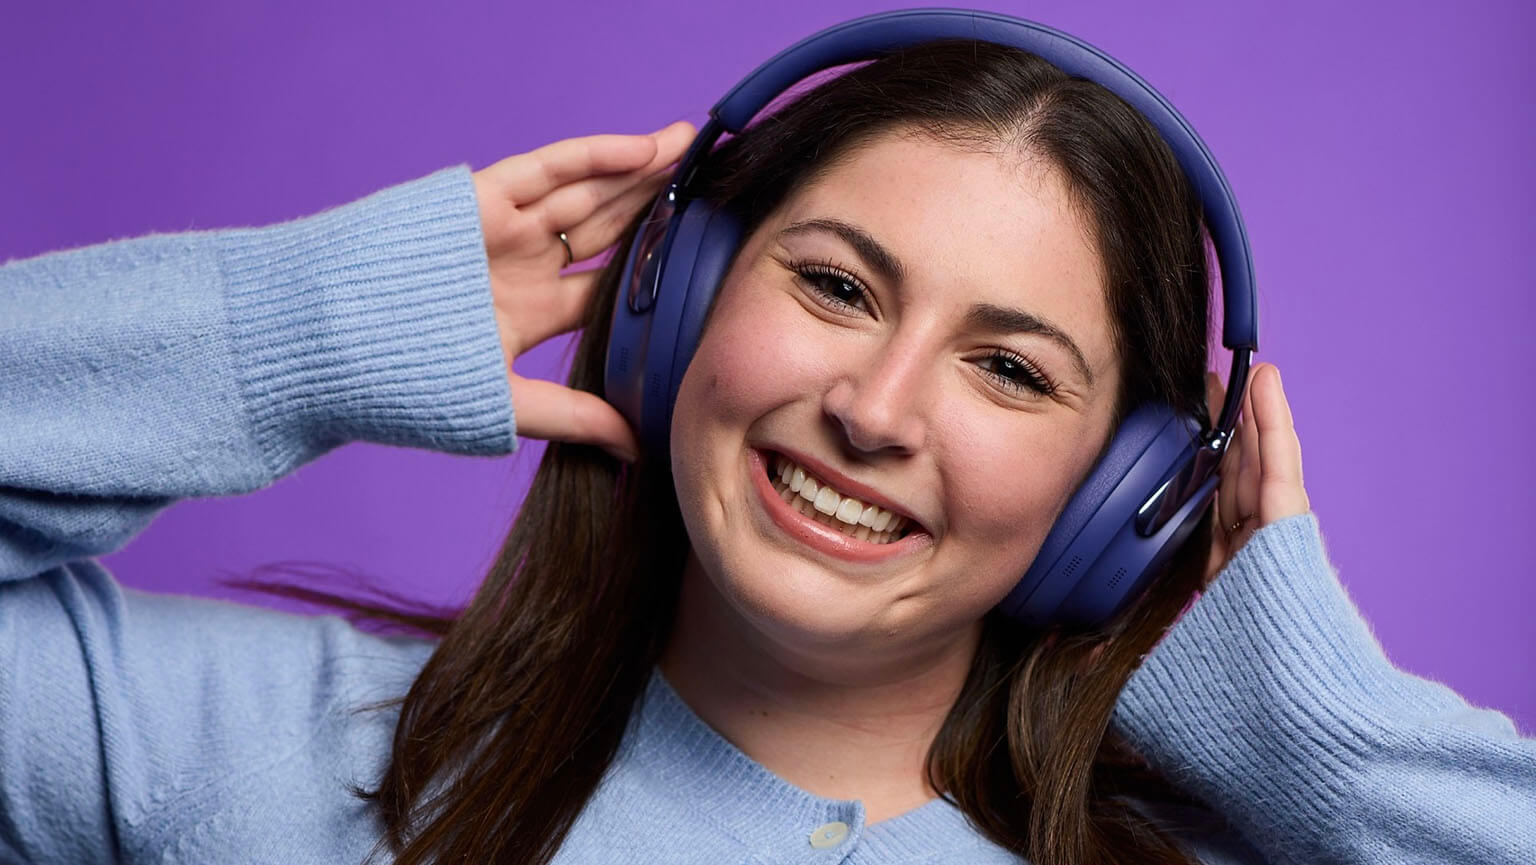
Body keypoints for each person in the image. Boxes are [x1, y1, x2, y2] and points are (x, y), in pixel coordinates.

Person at [1, 34, 1532, 865]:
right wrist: (296, 332)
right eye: (837, 285)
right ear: (671, 305)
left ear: (1124, 498)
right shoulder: (264, 756)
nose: (876, 406)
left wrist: (1322, 743)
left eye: (1006, 367)